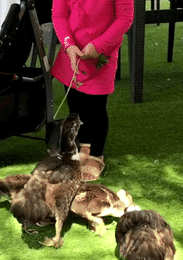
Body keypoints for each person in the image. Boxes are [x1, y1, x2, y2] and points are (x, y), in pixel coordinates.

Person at [50, 0, 133, 181]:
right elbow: (59, 15)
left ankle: (97, 154)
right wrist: (68, 44)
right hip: (71, 50)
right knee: (74, 102)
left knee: (96, 106)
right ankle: (83, 144)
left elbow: (125, 17)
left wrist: (99, 45)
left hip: (101, 51)